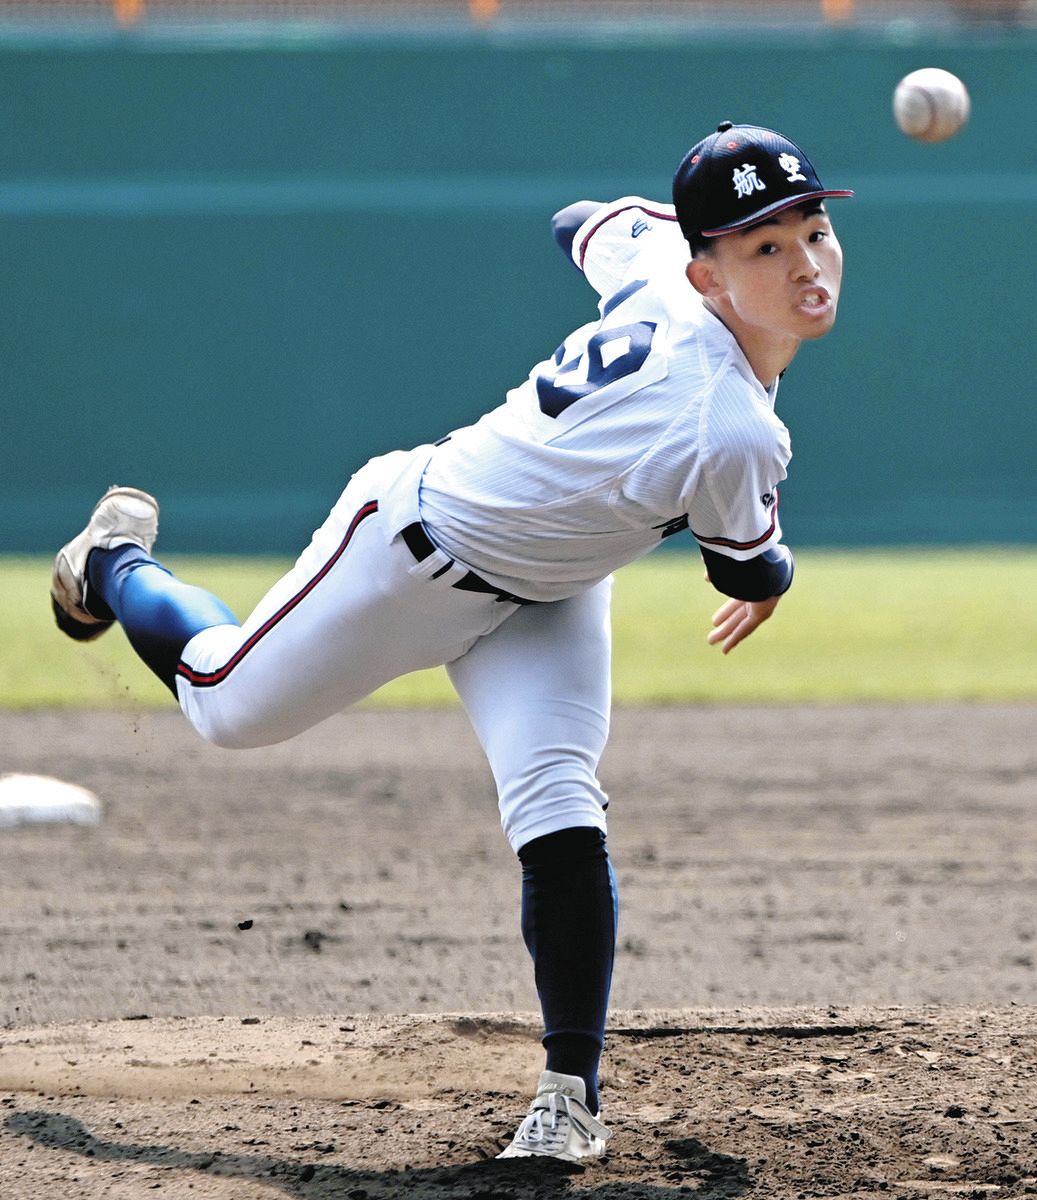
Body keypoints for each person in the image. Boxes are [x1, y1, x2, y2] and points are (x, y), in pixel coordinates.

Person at [51, 122, 851, 1164]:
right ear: (710, 273)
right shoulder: (730, 423)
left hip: (550, 593)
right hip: (407, 552)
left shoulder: (664, 266)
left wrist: (651, 246)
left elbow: (582, 223)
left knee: (559, 803)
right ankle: (113, 564)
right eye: (761, 247)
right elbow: (747, 570)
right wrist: (769, 574)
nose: (802, 263)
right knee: (221, 704)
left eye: (810, 229)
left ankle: (569, 1096)